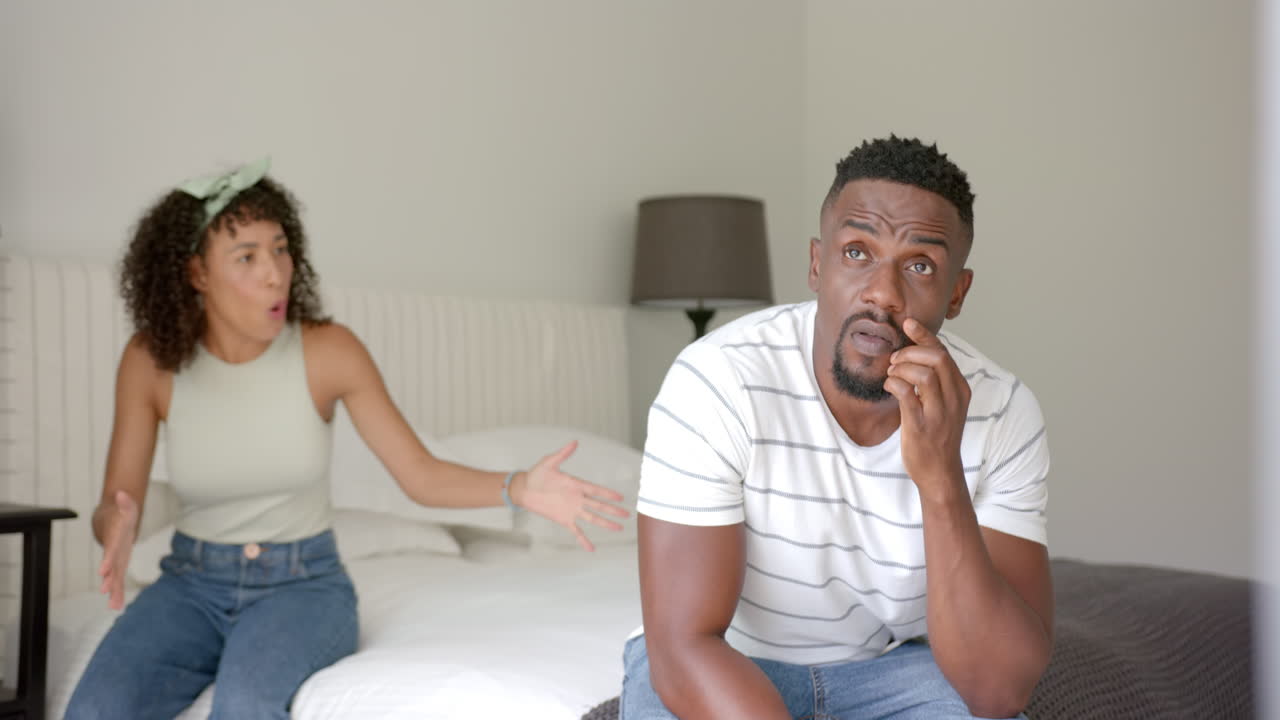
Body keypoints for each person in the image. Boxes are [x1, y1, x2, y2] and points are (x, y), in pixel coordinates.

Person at [65, 157, 630, 720]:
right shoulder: (151, 361)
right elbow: (117, 504)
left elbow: (421, 476)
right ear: (197, 275)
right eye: (247, 257)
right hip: (189, 585)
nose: (275, 273)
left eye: (281, 249)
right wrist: (115, 526)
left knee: (246, 707)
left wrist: (520, 486)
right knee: (94, 709)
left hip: (301, 588)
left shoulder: (328, 352)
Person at [623, 136, 1052, 720]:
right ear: (817, 264)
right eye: (857, 252)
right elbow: (682, 646)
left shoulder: (1003, 411)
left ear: (956, 293)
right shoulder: (717, 379)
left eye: (919, 265)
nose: (882, 292)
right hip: (727, 662)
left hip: (895, 672)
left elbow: (998, 691)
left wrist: (941, 477)